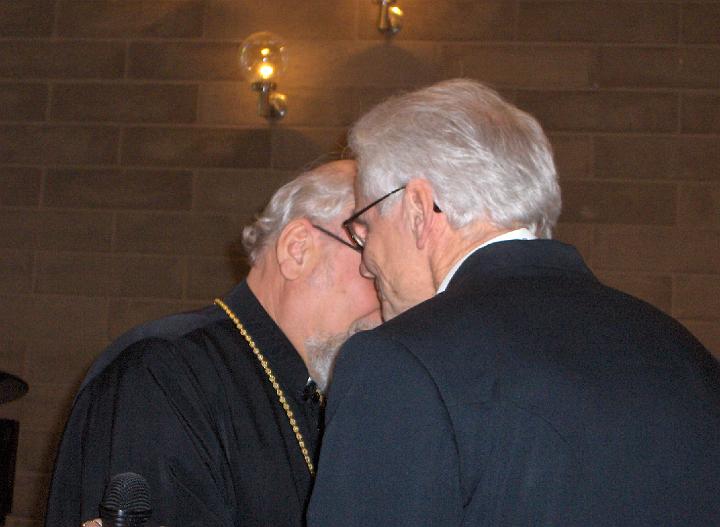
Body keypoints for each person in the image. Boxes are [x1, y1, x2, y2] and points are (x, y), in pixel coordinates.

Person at [307, 80, 720, 526]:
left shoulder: (400, 365)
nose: (366, 263)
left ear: (419, 209)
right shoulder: (685, 354)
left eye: (365, 228)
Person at [45, 160, 381, 527]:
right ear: (297, 249)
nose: (389, 301)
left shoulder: (323, 393)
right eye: (374, 269)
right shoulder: (162, 373)